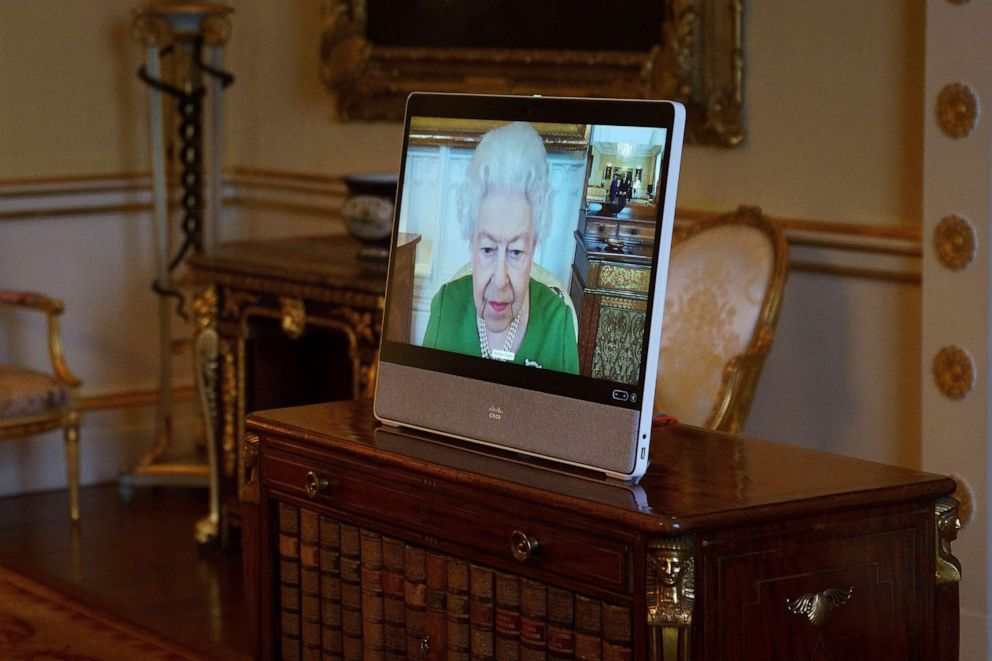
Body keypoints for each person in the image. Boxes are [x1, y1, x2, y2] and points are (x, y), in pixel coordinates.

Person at [422, 122, 580, 374]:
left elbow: (570, 414)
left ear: (533, 247)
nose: (499, 280)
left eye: (516, 251)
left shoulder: (557, 322)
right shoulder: (445, 307)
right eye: (487, 249)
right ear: (471, 243)